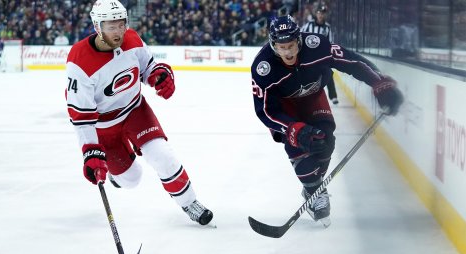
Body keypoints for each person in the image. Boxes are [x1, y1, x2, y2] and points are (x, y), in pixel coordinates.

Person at [65, 0, 213, 226]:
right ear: (97, 27)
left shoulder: (132, 39)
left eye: (121, 24)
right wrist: (90, 152)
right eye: (111, 26)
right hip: (104, 129)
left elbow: (149, 68)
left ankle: (189, 202)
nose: (118, 31)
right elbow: (81, 118)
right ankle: (119, 175)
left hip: (136, 111)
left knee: (163, 156)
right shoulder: (79, 60)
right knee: (132, 179)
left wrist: (160, 76)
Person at [250, 15, 403, 226]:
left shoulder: (317, 45)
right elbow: (264, 111)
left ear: (299, 40)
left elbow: (352, 62)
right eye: (282, 47)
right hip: (285, 108)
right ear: (272, 43)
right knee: (301, 149)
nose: (288, 52)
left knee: (324, 143)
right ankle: (315, 191)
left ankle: (313, 187)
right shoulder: (262, 67)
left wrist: (380, 83)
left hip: (313, 96)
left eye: (292, 45)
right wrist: (294, 129)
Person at [301, 4, 338, 105]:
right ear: (316, 14)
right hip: (309, 57)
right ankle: (306, 97)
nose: (321, 15)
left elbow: (330, 42)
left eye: (323, 13)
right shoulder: (308, 25)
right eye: (319, 13)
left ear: (325, 15)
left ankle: (333, 96)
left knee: (329, 74)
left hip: (321, 57)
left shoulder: (327, 28)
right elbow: (300, 36)